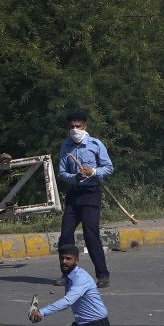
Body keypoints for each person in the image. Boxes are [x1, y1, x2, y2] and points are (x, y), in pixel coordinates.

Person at [56, 111, 114, 288]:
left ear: (85, 127)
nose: (75, 130)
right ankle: (68, 274)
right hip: (74, 194)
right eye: (72, 126)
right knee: (66, 234)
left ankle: (102, 275)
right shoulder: (66, 146)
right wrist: (76, 178)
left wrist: (93, 172)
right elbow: (62, 173)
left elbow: (109, 168)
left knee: (90, 234)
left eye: (78, 126)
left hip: (91, 193)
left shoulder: (95, 144)